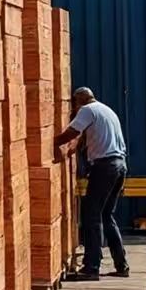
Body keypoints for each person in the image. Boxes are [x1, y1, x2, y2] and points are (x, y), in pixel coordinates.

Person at [54, 88, 129, 280]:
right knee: (106, 215)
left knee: (91, 215)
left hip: (104, 167)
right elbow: (85, 138)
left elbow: (72, 132)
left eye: (75, 103)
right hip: (119, 165)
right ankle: (122, 266)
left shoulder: (86, 110)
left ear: (80, 100)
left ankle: (91, 268)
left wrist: (50, 142)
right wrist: (72, 150)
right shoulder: (106, 110)